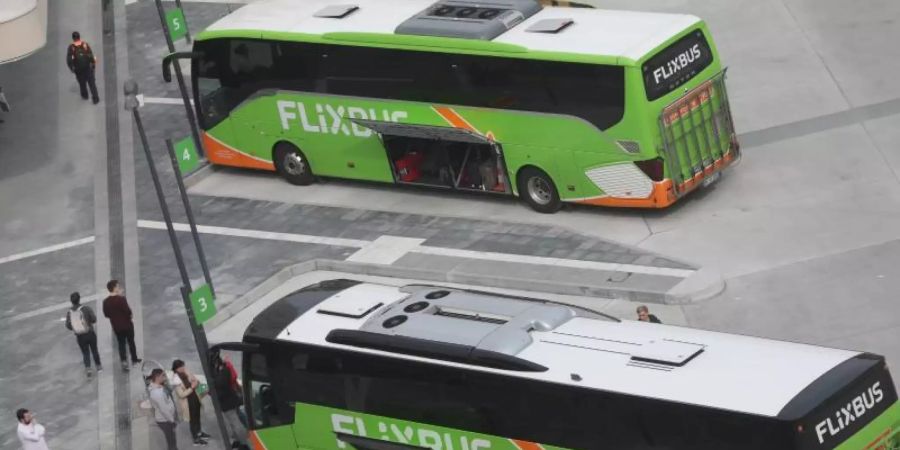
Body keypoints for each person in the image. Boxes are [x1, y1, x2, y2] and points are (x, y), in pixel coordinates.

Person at [102, 280, 141, 371]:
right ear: (114, 288)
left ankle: (124, 361)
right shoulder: (121, 299)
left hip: (117, 327)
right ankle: (134, 360)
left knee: (121, 344)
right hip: (127, 325)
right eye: (118, 286)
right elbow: (128, 311)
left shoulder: (105, 302)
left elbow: (106, 314)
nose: (119, 288)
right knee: (131, 342)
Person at [212, 352, 249, 449]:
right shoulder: (222, 369)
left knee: (235, 423)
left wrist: (211, 390)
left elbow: (221, 386)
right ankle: (238, 440)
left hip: (228, 402)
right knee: (234, 422)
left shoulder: (223, 371)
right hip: (231, 399)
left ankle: (244, 444)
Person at [172, 359, 210, 445]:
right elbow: (181, 395)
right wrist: (192, 388)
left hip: (195, 398)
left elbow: (195, 380)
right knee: (192, 420)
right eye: (181, 366)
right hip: (188, 403)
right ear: (176, 368)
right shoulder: (176, 380)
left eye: (183, 366)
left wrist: (195, 381)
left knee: (197, 417)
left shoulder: (186, 372)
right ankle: (196, 438)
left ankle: (200, 433)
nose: (183, 368)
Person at [65, 292, 102, 378]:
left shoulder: (69, 312)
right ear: (79, 299)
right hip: (89, 333)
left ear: (71, 301)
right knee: (94, 350)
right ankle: (98, 366)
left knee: (85, 352)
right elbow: (94, 319)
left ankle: (88, 368)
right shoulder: (86, 308)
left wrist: (75, 328)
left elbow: (67, 325)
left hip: (80, 336)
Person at [148, 369, 178, 450]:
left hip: (166, 418)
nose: (165, 377)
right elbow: (163, 409)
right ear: (157, 377)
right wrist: (172, 420)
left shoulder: (159, 386)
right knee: (171, 439)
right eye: (163, 375)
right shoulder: (157, 393)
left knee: (171, 437)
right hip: (165, 420)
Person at [66, 31, 100, 104]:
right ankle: (95, 98)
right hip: (88, 68)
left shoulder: (71, 47)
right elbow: (90, 54)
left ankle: (85, 96)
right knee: (92, 84)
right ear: (79, 37)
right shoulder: (85, 44)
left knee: (82, 84)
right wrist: (93, 64)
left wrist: (72, 67)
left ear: (73, 38)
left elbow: (69, 59)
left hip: (79, 70)